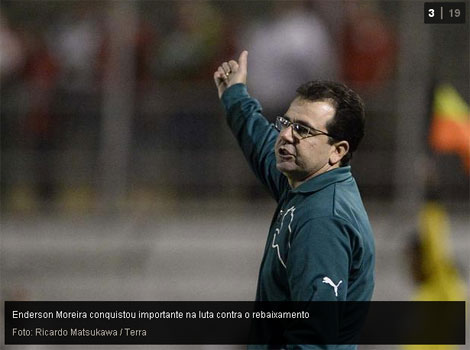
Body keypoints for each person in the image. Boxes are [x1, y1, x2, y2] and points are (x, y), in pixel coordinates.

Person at [214, 51, 375, 349]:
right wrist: (235, 95)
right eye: (286, 123)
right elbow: (262, 144)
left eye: (302, 129)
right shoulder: (306, 183)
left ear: (337, 151)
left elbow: (313, 339)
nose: (285, 135)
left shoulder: (323, 221)